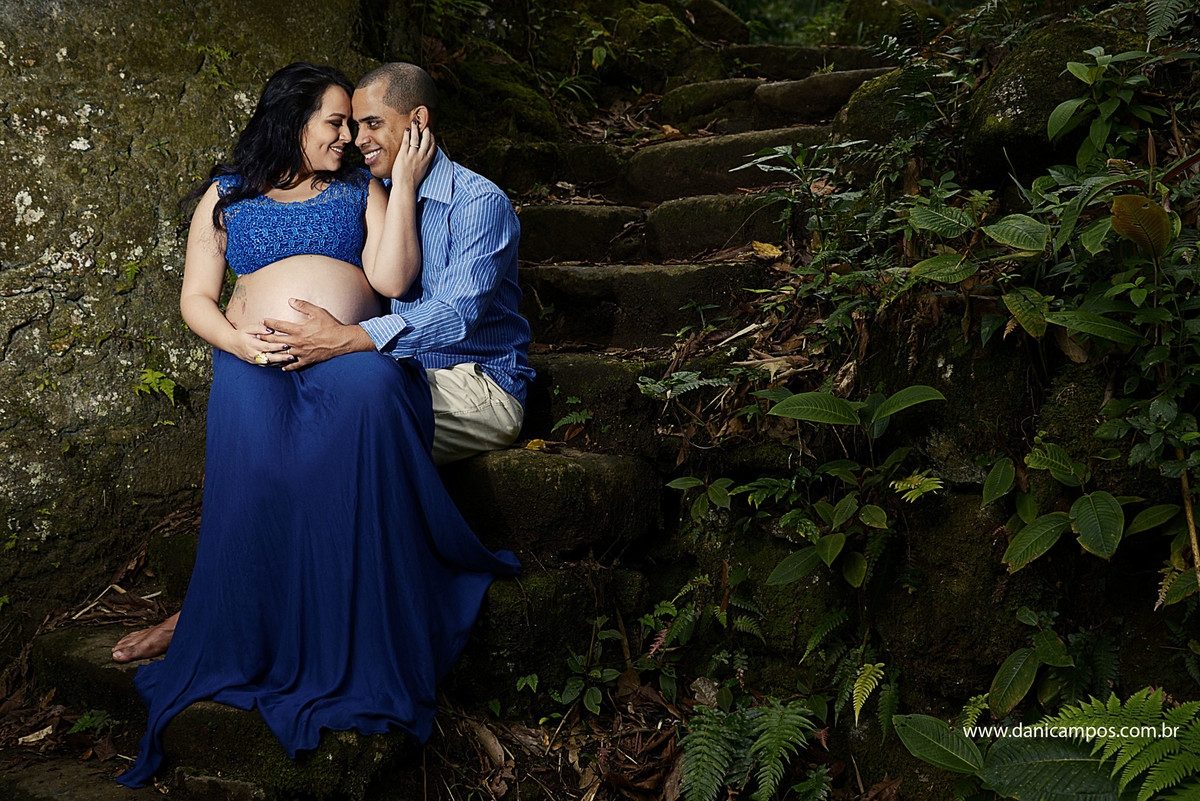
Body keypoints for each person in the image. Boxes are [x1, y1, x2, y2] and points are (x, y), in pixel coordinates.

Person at [115, 62, 520, 789]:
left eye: (359, 124)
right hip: (256, 357)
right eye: (336, 122)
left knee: (347, 424)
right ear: (292, 121)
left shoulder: (366, 188)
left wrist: (395, 203)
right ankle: (221, 616)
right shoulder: (227, 194)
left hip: (353, 357)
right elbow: (197, 296)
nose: (350, 138)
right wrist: (240, 341)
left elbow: (395, 283)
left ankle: (330, 633)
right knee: (267, 459)